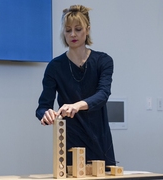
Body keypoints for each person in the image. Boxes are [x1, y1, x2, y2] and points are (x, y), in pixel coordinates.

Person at [36, 4, 116, 168]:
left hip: (99, 139)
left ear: (87, 30)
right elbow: (42, 107)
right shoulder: (55, 66)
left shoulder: (103, 61)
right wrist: (46, 114)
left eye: (78, 29)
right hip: (70, 142)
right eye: (68, 30)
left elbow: (103, 94)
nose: (72, 34)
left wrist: (76, 106)